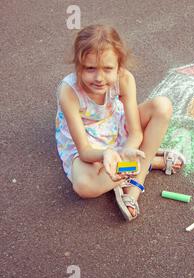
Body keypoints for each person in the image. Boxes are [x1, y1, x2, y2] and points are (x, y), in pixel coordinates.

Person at [55, 24, 185, 221]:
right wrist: (108, 154)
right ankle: (148, 162)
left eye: (108, 69)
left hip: (115, 126)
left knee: (162, 106)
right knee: (84, 186)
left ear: (119, 65)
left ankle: (135, 184)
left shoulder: (124, 78)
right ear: (78, 65)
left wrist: (124, 152)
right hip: (89, 142)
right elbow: (85, 151)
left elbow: (135, 133)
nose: (99, 78)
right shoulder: (68, 92)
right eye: (90, 68)